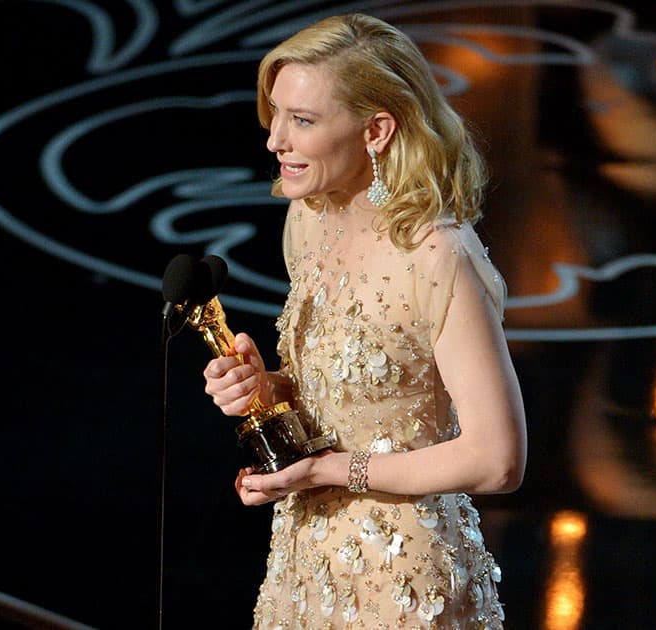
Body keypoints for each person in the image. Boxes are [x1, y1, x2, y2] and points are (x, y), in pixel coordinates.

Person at [202, 13, 527, 629]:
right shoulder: (309, 220)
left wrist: (330, 470)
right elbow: (346, 393)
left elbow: (498, 458)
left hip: (408, 583)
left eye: (303, 121)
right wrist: (267, 389)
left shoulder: (438, 255)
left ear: (376, 130)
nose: (275, 141)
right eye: (276, 114)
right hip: (305, 566)